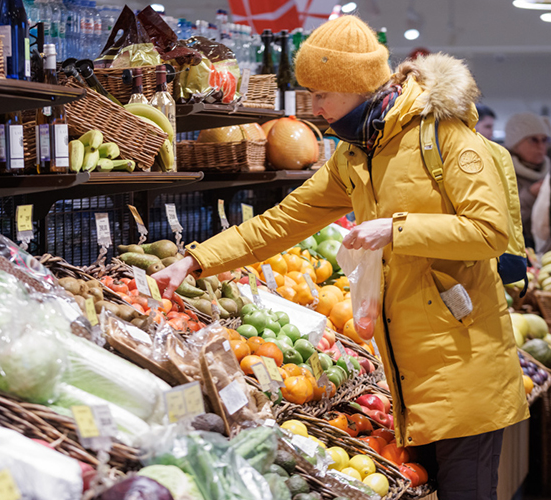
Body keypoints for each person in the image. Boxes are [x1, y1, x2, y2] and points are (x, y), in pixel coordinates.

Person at [154, 15, 528, 500]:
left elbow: (489, 231)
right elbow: (282, 222)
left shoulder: (444, 135)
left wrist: (395, 231)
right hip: (411, 378)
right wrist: (195, 261)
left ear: (356, 87)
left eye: (323, 92)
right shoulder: (355, 154)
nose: (315, 106)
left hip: (465, 371)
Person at [504, 112, 550, 250]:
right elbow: (504, 222)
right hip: (517, 252)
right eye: (533, 140)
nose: (541, 146)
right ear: (515, 144)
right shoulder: (502, 172)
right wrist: (529, 195)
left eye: (544, 140)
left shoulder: (548, 172)